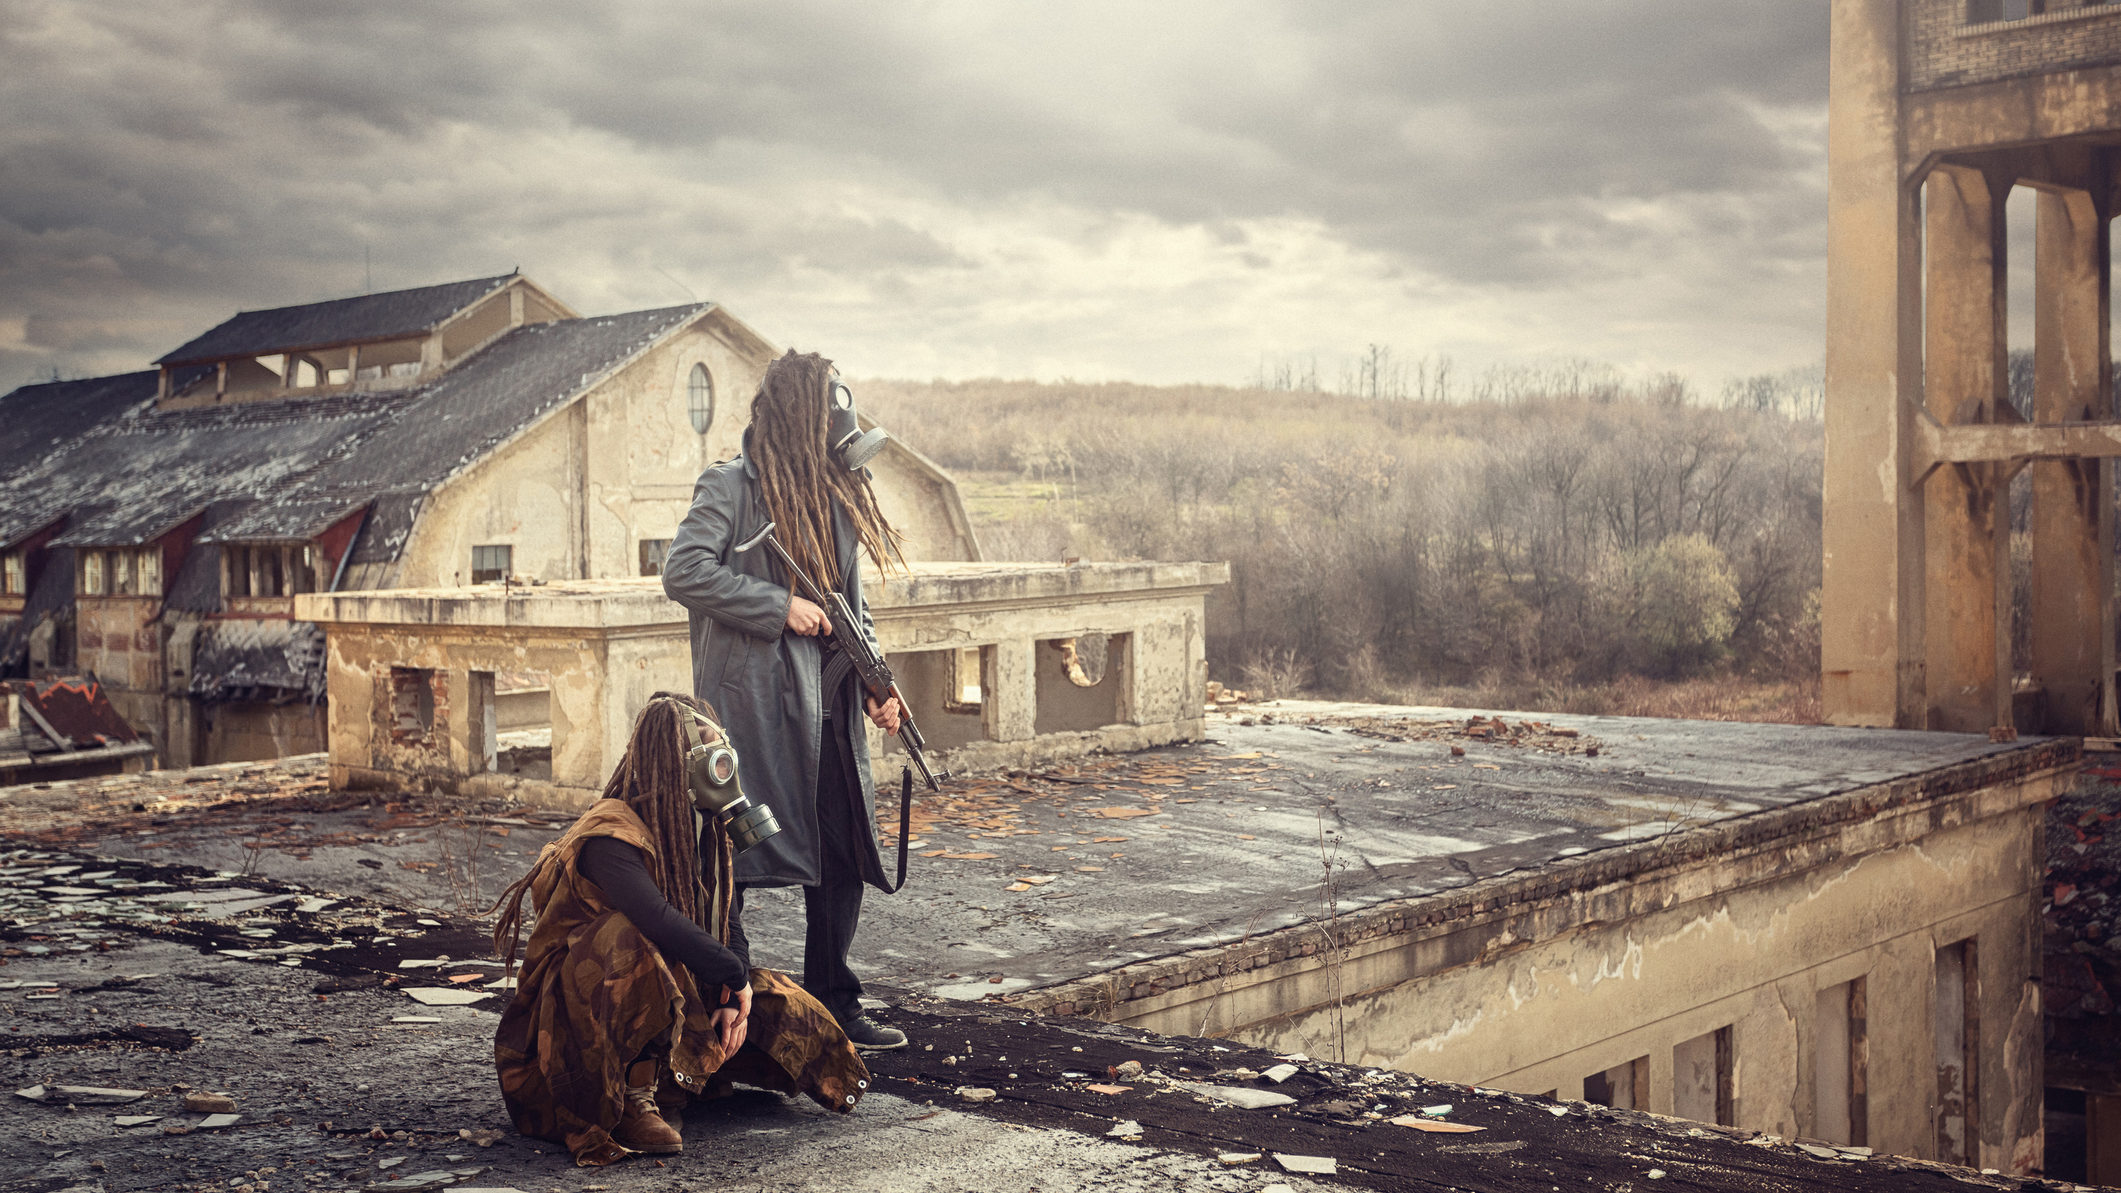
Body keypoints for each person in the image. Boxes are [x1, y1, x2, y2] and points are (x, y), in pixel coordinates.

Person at [490, 694, 870, 1167]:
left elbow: (728, 920)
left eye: (722, 750)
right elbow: (658, 922)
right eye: (710, 754)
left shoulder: (698, 830)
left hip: (656, 993)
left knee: (780, 1002)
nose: (722, 766)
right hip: (572, 1026)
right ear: (674, 764)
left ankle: (688, 1076)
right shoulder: (609, 835)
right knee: (632, 941)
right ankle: (632, 1094)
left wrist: (738, 991)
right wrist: (730, 974)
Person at [661, 349, 909, 1051]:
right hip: (754, 718)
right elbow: (683, 571)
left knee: (841, 851)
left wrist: (880, 683)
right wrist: (777, 606)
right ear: (796, 425)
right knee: (732, 860)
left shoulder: (833, 494)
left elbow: (851, 609)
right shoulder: (727, 487)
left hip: (828, 714)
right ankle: (716, 998)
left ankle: (835, 1000)